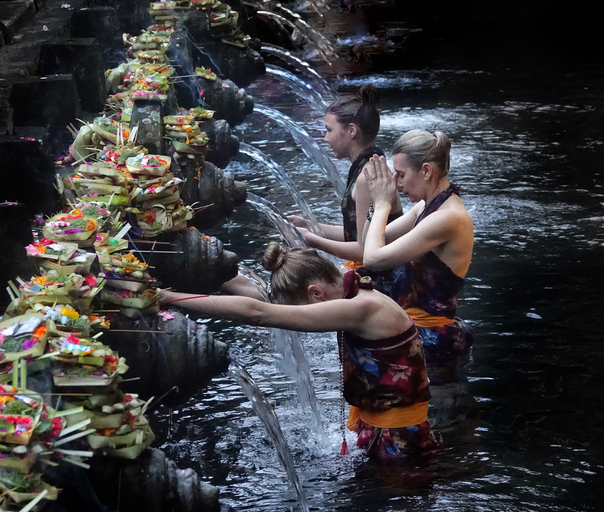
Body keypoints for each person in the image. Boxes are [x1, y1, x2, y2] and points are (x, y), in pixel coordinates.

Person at [159, 242, 441, 461]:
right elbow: (262, 299)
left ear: (315, 294)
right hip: (384, 428)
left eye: (301, 310)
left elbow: (259, 313)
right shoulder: (350, 283)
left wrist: (169, 298)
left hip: (399, 442)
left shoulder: (360, 309)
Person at [361, 129, 474, 373]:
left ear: (426, 170)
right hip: (418, 333)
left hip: (433, 340)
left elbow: (373, 258)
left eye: (401, 175)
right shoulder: (426, 207)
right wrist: (376, 202)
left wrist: (383, 204)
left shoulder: (449, 218)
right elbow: (367, 245)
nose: (398, 184)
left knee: (438, 408)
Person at [288, 84, 402, 268]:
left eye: (329, 130)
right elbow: (357, 233)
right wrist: (309, 226)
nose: (325, 138)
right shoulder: (366, 165)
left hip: (384, 281)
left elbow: (364, 251)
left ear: (351, 131)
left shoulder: (367, 177)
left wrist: (313, 240)